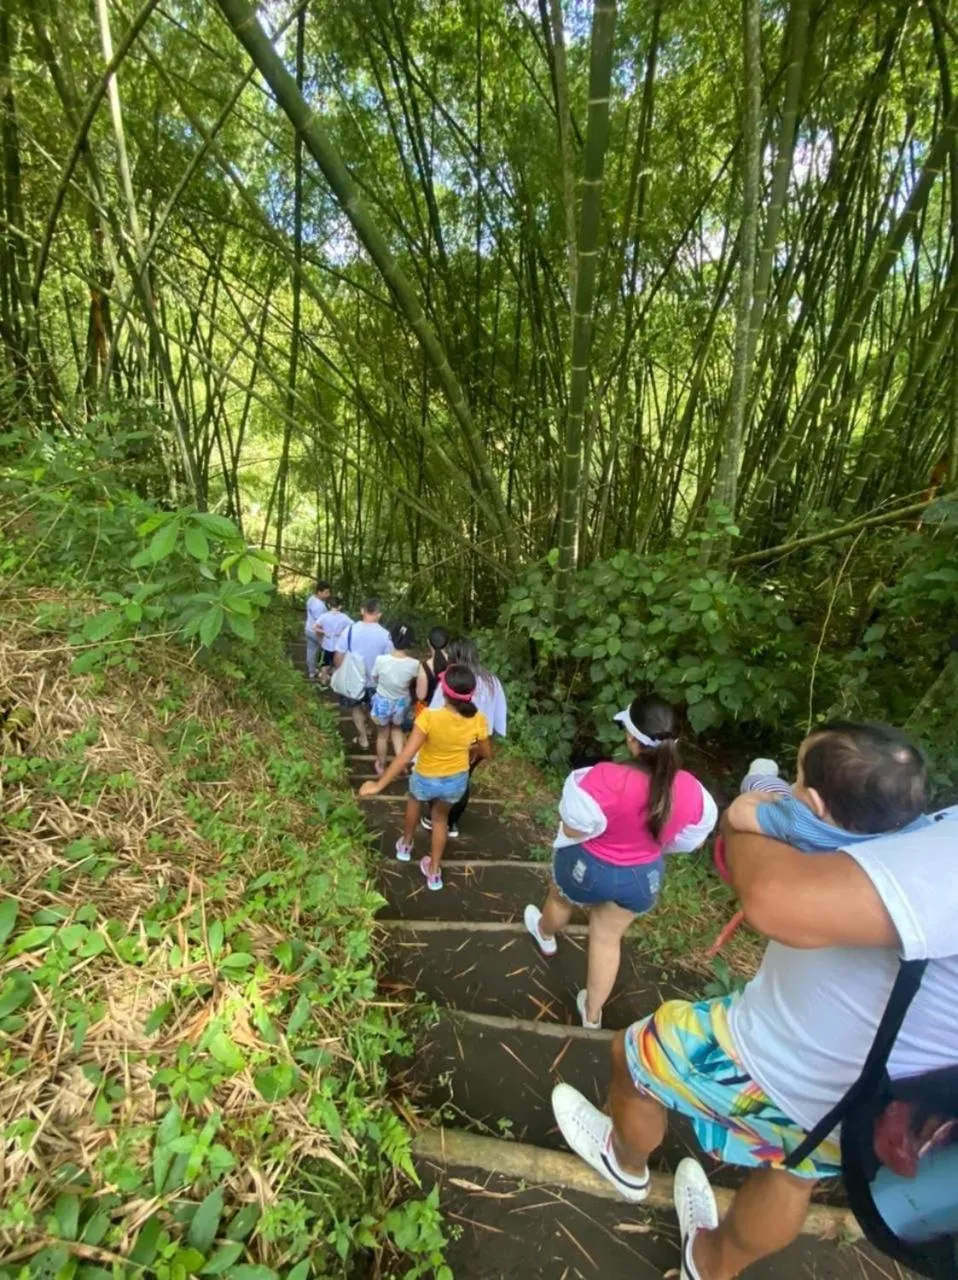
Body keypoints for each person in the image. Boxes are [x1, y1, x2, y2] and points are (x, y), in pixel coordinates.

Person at [550, 811, 958, 1279]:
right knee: (794, 1171)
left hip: (776, 1054)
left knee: (633, 1056)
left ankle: (625, 1162)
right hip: (875, 1100)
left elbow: (773, 899)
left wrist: (748, 817)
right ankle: (707, 1267)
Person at [524, 695, 717, 1029]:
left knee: (559, 898)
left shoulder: (600, 778)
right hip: (642, 879)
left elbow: (574, 826)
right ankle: (593, 1014)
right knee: (607, 938)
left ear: (632, 739)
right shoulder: (694, 792)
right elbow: (684, 842)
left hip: (587, 868)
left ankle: (545, 934)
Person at [359, 664, 492, 891]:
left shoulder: (429, 717)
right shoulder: (478, 718)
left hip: (426, 776)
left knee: (414, 802)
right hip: (455, 780)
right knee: (440, 820)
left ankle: (405, 846)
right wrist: (471, 751)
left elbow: (405, 756)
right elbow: (487, 753)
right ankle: (433, 873)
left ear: (444, 691)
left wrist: (378, 785)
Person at [726, 721, 929, 851]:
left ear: (816, 802)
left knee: (769, 787)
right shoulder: (907, 836)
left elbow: (737, 813)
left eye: (799, 775)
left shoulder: (797, 822)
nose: (797, 780)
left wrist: (769, 799)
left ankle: (759, 776)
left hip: (787, 838)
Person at [424, 637, 506, 837]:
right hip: (478, 742)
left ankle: (438, 818)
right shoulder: (491, 681)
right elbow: (498, 714)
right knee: (463, 778)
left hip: (450, 740)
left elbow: (435, 710)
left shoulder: (451, 679)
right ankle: (452, 822)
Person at [334, 598, 392, 750]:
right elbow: (389, 661)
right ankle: (371, 731)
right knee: (373, 709)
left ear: (362, 611)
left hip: (354, 680)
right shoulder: (386, 635)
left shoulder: (350, 630)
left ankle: (363, 738)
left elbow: (339, 655)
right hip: (376, 682)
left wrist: (339, 671)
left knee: (356, 708)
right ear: (379, 614)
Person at [370, 623, 422, 775]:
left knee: (382, 735)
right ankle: (401, 764)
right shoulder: (414, 664)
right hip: (401, 702)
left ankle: (381, 765)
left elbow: (374, 677)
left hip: (383, 701)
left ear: (391, 639)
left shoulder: (381, 660)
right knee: (397, 730)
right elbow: (415, 681)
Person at [317, 597, 351, 685]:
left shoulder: (324, 616)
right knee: (337, 664)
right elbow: (353, 626)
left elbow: (314, 627)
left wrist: (324, 632)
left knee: (324, 664)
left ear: (328, 605)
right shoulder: (344, 617)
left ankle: (323, 681)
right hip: (338, 646)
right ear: (340, 606)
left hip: (326, 645)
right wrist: (342, 632)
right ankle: (334, 682)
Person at [304, 580, 331, 680]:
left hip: (308, 629)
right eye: (326, 592)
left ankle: (311, 672)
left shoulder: (311, 599)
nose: (328, 595)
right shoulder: (319, 606)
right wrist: (321, 637)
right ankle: (324, 673)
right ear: (319, 592)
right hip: (316, 632)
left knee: (311, 650)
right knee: (325, 652)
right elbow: (319, 624)